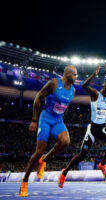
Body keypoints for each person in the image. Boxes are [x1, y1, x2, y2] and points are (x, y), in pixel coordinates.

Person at [19, 65, 77, 197]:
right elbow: (38, 97)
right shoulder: (53, 83)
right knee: (38, 152)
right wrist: (34, 120)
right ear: (67, 74)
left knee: (65, 142)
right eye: (74, 74)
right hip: (45, 118)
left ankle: (44, 160)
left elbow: (65, 106)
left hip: (58, 120)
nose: (76, 77)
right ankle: (25, 181)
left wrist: (62, 119)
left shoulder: (72, 91)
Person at [59, 66, 106, 188]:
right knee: (82, 155)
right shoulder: (95, 94)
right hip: (92, 129)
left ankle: (103, 164)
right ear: (103, 88)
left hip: (101, 127)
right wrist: (93, 75)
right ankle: (64, 173)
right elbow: (84, 86)